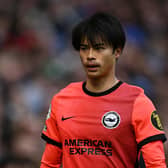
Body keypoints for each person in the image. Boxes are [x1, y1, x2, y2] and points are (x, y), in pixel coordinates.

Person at [40, 12, 167, 168]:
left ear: (117, 51)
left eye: (99, 48)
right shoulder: (61, 100)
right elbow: (49, 163)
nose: (90, 56)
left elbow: (155, 164)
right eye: (84, 48)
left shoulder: (138, 102)